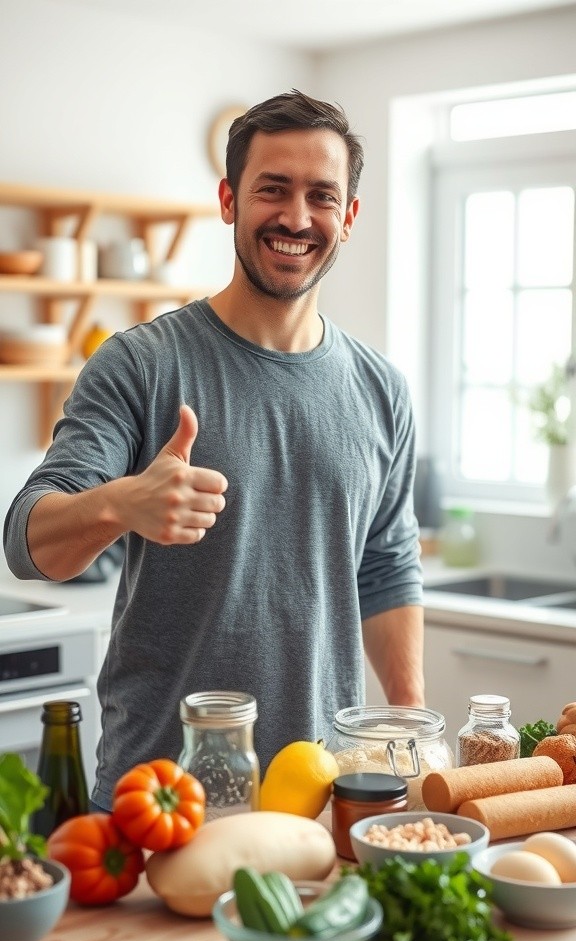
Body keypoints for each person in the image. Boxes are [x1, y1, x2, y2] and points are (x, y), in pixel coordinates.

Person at [3, 89, 425, 811]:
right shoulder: (141, 364)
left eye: (322, 196)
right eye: (273, 190)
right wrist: (122, 503)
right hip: (158, 796)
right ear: (230, 200)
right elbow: (27, 544)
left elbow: (386, 566)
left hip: (321, 796)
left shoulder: (380, 388)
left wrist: (410, 725)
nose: (296, 217)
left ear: (348, 218)